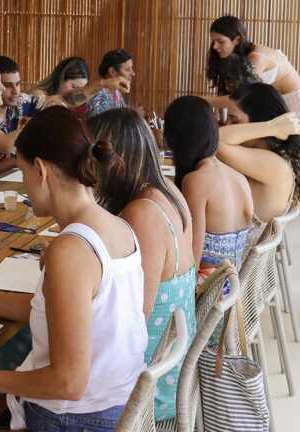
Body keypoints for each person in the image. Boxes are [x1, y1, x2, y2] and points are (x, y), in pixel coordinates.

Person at [0, 106, 147, 431]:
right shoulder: (120, 226)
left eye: (22, 172)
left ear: (40, 170)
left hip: (72, 419)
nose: (25, 185)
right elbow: (50, 310)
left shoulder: (71, 249)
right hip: (118, 409)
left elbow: (69, 382)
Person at [88, 108, 196, 420]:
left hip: (147, 391)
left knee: (30, 340)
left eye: (93, 155)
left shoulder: (142, 214)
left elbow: (133, 320)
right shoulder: (166, 190)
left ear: (116, 160)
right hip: (169, 373)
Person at [0, 59, 130, 186]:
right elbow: (6, 145)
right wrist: (39, 121)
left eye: (17, 84)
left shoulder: (16, 104)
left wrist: (103, 84)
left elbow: (64, 99)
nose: (7, 89)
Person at [164, 96, 253, 271]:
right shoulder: (239, 177)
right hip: (234, 283)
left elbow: (192, 256)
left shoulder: (195, 181)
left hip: (208, 285)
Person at [221, 83, 300, 231]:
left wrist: (271, 127)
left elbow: (216, 142)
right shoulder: (268, 155)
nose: (227, 126)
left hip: (237, 245)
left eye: (235, 121)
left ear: (260, 122)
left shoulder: (273, 164)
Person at [207, 15, 300, 117]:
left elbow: (240, 99)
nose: (215, 46)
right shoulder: (234, 58)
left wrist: (201, 101)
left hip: (294, 104)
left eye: (221, 42)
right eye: (213, 41)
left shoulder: (256, 57)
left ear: (237, 40)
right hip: (274, 104)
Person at [0, 55, 41, 178]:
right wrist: (20, 159)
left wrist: (55, 104)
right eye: (8, 85)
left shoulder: (21, 102)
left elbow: (54, 102)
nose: (16, 91)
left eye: (18, 84)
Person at [86, 49, 135, 118]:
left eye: (131, 68)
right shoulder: (100, 96)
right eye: (127, 69)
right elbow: (99, 124)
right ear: (112, 72)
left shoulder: (116, 94)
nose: (133, 73)